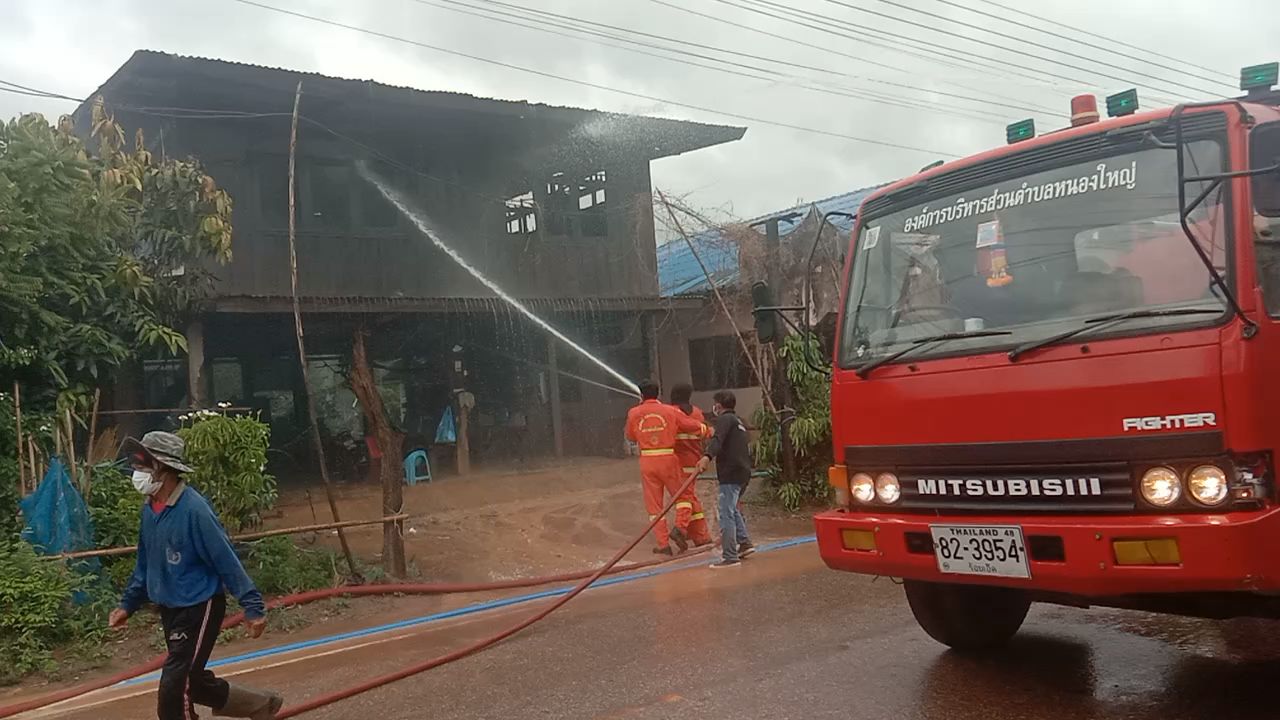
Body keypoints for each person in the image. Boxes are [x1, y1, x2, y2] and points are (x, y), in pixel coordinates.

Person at [109, 431, 283, 720]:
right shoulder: (150, 510)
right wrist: (128, 604)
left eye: (143, 463)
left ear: (163, 469)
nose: (137, 470)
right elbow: (145, 563)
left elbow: (225, 559)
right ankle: (259, 705)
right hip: (170, 606)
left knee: (175, 688)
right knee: (191, 679)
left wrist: (252, 606)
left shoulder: (194, 510)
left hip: (199, 605)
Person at [625, 380, 709, 555]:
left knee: (654, 506)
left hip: (647, 461)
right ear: (658, 394)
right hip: (669, 459)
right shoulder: (670, 411)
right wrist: (707, 430)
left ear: (641, 395)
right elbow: (691, 425)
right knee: (683, 497)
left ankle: (663, 545)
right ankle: (680, 528)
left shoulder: (633, 413)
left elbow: (631, 436)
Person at [695, 390, 755, 569]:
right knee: (733, 508)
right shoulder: (738, 421)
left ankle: (730, 556)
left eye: (715, 404)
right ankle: (744, 543)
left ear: (719, 405)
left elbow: (717, 440)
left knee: (726, 512)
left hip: (731, 473)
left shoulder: (724, 419)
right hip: (743, 472)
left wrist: (706, 457)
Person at [668, 383, 712, 548]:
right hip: (694, 462)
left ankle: (680, 528)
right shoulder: (697, 413)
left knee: (684, 498)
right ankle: (701, 537)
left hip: (676, 462)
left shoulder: (670, 413)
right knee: (690, 496)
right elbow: (703, 435)